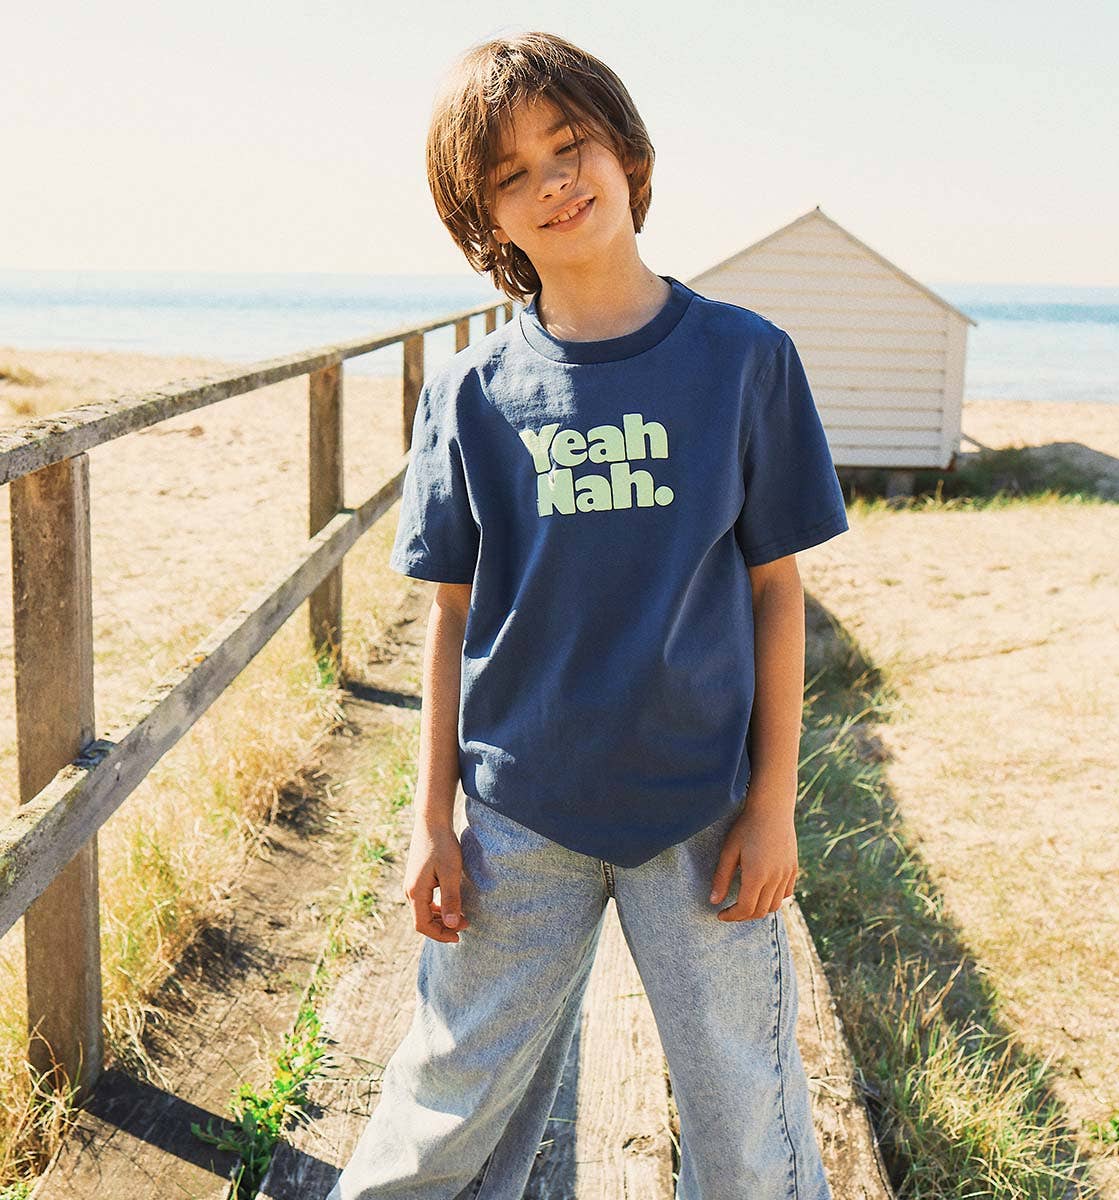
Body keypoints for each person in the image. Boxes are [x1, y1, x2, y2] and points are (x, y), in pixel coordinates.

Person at [327, 29, 847, 1200]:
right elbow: (452, 619)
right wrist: (430, 820)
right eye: (512, 173)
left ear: (626, 152)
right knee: (448, 1108)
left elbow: (776, 592)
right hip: (519, 818)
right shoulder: (470, 393)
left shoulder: (746, 359)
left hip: (703, 815)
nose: (555, 182)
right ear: (484, 220)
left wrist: (773, 804)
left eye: (569, 145)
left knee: (747, 1122)